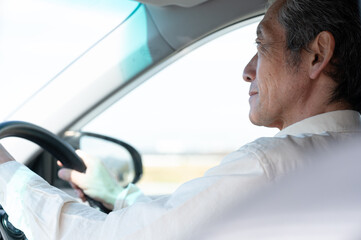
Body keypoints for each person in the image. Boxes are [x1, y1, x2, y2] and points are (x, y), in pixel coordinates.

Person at [1, 0, 361, 239]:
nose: (247, 71)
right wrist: (118, 195)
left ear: (317, 55)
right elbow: (180, 223)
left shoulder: (273, 166)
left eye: (262, 46)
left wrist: (7, 175)